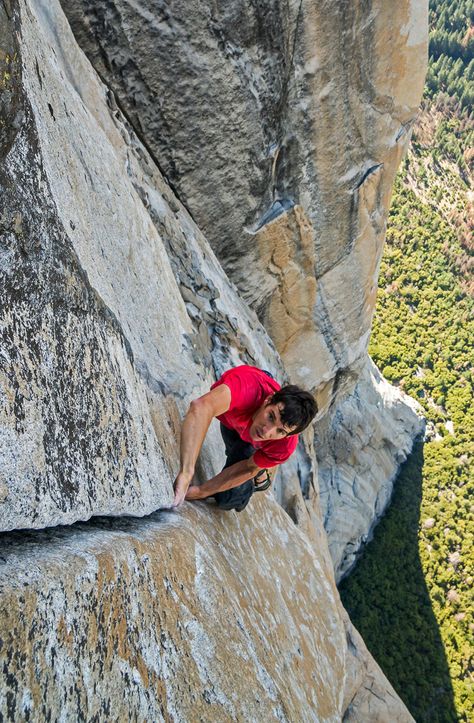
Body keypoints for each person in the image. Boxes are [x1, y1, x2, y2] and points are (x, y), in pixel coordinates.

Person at [173, 365, 317, 511]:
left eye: (280, 431)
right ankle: (266, 381)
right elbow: (201, 407)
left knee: (228, 497)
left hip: (254, 443)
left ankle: (260, 475)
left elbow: (249, 468)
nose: (267, 430)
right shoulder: (247, 388)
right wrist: (186, 472)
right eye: (271, 416)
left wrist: (201, 492)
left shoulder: (284, 445)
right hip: (243, 411)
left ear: (289, 435)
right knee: (235, 446)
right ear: (268, 400)